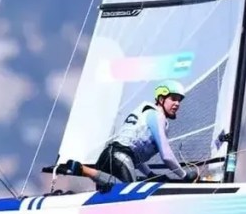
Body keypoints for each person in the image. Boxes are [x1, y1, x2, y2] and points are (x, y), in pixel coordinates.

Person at [59, 80, 199, 190]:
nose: (177, 103)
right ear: (161, 99)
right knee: (129, 194)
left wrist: (149, 175)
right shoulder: (157, 116)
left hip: (108, 157)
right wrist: (184, 175)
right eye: (173, 99)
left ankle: (85, 170)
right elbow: (167, 156)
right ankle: (85, 170)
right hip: (120, 159)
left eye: (179, 100)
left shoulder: (146, 113)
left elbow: (134, 153)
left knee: (110, 195)